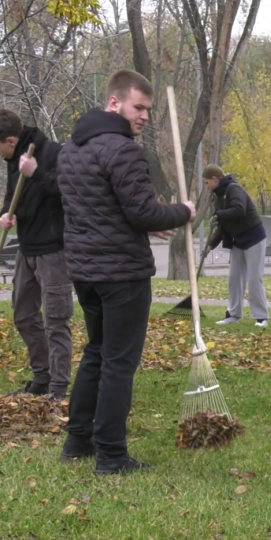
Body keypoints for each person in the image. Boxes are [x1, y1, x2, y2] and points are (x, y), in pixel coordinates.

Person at [57, 70, 194, 475]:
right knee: (118, 362)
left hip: (86, 272)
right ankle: (111, 455)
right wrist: (181, 212)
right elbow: (143, 212)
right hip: (122, 275)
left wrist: (147, 223)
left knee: (96, 353)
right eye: (139, 107)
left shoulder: (70, 150)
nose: (145, 116)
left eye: (148, 109)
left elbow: (103, 210)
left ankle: (77, 441)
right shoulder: (123, 151)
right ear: (114, 103)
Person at [0, 109, 73, 400]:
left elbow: (68, 190)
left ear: (11, 140)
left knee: (56, 321)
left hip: (54, 251)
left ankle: (58, 388)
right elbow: (12, 195)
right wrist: (6, 213)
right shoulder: (13, 160)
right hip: (26, 248)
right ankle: (42, 377)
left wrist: (36, 173)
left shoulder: (54, 153)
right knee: (23, 315)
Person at [202, 165, 269, 328]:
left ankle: (261, 317)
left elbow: (239, 210)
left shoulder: (234, 189)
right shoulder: (218, 197)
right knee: (234, 278)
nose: (206, 186)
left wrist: (218, 215)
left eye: (206, 182)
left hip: (254, 238)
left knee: (254, 279)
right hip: (238, 241)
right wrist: (210, 246)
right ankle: (233, 314)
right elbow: (222, 226)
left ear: (215, 179)